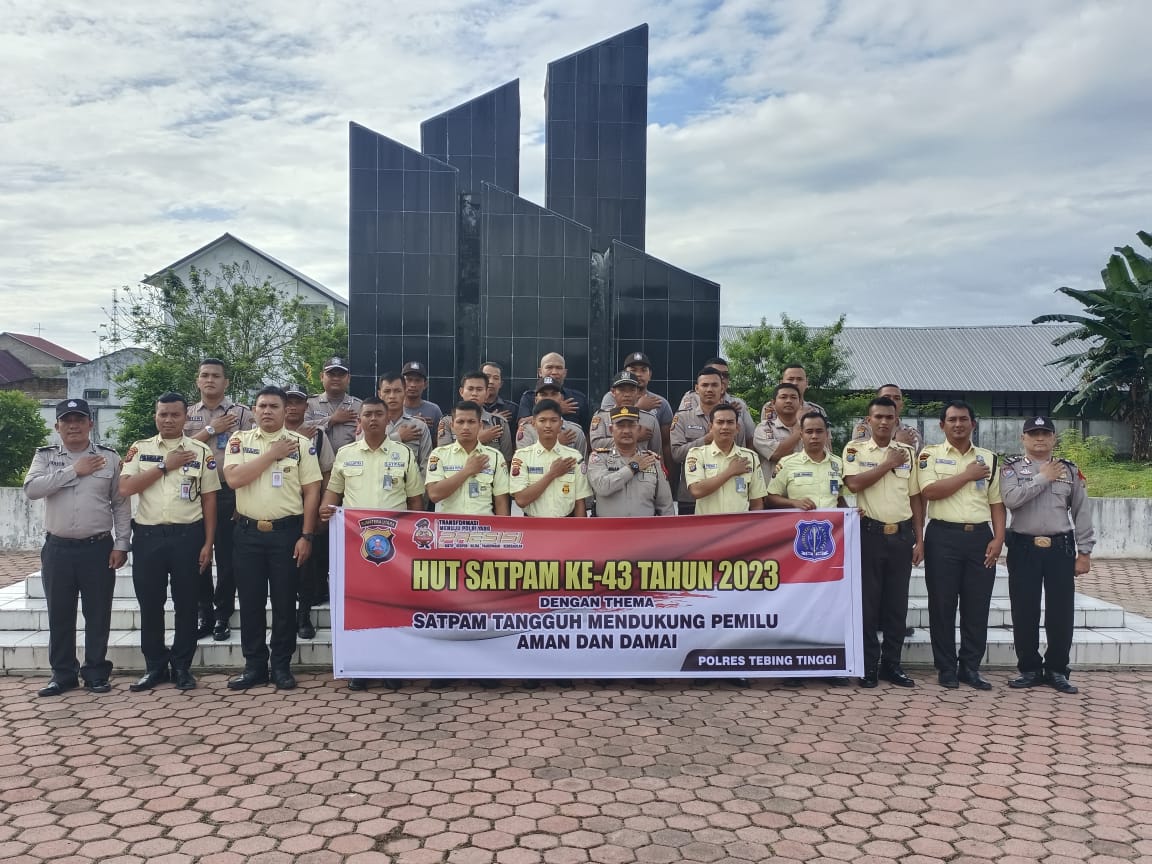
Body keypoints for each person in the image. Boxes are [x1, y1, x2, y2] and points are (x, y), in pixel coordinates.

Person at [23, 398, 131, 697]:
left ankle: (96, 672)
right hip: (58, 549)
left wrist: (122, 544)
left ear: (90, 424)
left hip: (98, 548)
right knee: (60, 613)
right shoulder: (45, 457)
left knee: (98, 613)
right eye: (67, 420)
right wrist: (74, 470)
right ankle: (63, 674)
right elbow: (32, 489)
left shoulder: (109, 458)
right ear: (57, 426)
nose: (73, 425)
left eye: (79, 419)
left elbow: (120, 503)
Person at [322, 397, 426, 693]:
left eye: (378, 414)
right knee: (360, 609)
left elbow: (415, 501)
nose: (372, 419)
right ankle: (360, 668)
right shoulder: (345, 453)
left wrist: (414, 539)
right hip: (355, 546)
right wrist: (324, 511)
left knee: (394, 610)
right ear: (360, 420)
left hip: (396, 549)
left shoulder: (403, 454)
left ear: (386, 419)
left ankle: (392, 667)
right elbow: (333, 495)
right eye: (367, 414)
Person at [119, 393, 220, 692]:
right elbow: (125, 488)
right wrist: (165, 466)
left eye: (175, 414)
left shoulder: (200, 451)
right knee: (150, 604)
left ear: (185, 417)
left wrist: (209, 543)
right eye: (163, 414)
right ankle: (155, 667)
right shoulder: (140, 449)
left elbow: (210, 499)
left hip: (188, 537)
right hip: (149, 537)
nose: (168, 419)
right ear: (155, 416)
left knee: (187, 605)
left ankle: (182, 667)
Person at [223, 386, 322, 691]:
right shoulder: (239, 440)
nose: (267, 411)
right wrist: (272, 455)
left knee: (284, 602)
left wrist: (307, 535)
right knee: (250, 602)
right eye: (262, 406)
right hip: (247, 534)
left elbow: (312, 492)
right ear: (254, 411)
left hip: (287, 534)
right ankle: (254, 666)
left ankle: (281, 665)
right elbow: (235, 479)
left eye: (273, 406)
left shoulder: (303, 445)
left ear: (284, 411)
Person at [1001, 416, 1094, 694]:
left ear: (1054, 438)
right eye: (1033, 434)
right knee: (1024, 610)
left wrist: (1085, 552)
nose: (1039, 438)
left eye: (1045, 433)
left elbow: (1081, 511)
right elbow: (1011, 500)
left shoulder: (1070, 470)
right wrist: (1043, 478)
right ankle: (1029, 668)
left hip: (1060, 548)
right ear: (1023, 439)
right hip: (1024, 547)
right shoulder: (1011, 469)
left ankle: (1057, 669)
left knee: (1061, 612)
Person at [918, 400, 1005, 690]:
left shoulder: (989, 458)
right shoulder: (929, 455)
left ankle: (970, 667)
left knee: (976, 605)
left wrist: (998, 538)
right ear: (942, 425)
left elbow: (996, 502)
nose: (958, 424)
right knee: (942, 605)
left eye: (964, 419)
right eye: (952, 419)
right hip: (943, 537)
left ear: (973, 424)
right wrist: (967, 475)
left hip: (980, 537)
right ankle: (946, 667)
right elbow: (929, 491)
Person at [842, 397, 924, 689]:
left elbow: (916, 497)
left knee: (896, 604)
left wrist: (919, 538)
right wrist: (888, 464)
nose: (884, 422)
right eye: (878, 417)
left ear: (896, 420)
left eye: (889, 417)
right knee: (869, 604)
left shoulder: (908, 453)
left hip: (901, 535)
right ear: (868, 420)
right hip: (869, 533)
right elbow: (853, 484)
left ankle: (893, 664)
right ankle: (868, 666)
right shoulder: (855, 449)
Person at [184, 358, 254, 641]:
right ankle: (204, 612)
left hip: (229, 492)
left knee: (227, 558)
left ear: (226, 382)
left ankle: (222, 615)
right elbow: (181, 451)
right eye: (204, 375)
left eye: (216, 376)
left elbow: (256, 450)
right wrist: (212, 429)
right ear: (197, 381)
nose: (210, 380)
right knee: (197, 556)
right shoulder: (185, 414)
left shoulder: (243, 414)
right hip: (193, 493)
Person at [286, 382, 335, 641]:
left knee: (305, 568)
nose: (292, 407)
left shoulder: (317, 434)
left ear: (306, 406)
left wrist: (320, 509)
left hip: (305, 509)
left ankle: (303, 617)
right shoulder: (261, 433)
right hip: (277, 512)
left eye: (297, 402)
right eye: (288, 401)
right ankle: (284, 619)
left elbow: (327, 472)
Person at [671, 367, 740, 515]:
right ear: (697, 388)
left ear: (722, 388)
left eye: (714, 385)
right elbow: (676, 454)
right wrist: (706, 440)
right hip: (691, 497)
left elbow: (741, 453)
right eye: (704, 385)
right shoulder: (682, 418)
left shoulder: (732, 419)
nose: (709, 389)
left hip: (728, 494)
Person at [587, 406, 676, 517]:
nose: (626, 431)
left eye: (631, 426)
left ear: (638, 430)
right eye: (620, 426)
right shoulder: (599, 458)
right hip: (608, 531)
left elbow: (665, 505)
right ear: (611, 430)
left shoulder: (652, 460)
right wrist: (633, 467)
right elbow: (602, 487)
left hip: (644, 531)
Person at [425, 401, 511, 516]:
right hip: (449, 528)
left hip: (483, 529)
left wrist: (502, 531)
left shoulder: (495, 456)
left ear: (480, 425)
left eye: (471, 422)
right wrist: (467, 471)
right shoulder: (439, 455)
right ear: (452, 426)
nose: (466, 427)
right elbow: (434, 494)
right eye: (460, 422)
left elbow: (501, 502)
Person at [510, 399, 592, 517]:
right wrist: (552, 474)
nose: (548, 425)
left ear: (560, 424)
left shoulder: (574, 457)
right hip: (533, 526)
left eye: (553, 420)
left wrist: (580, 534)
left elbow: (580, 503)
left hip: (566, 525)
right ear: (534, 424)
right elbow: (521, 500)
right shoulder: (522, 456)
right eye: (542, 420)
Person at [684, 403, 767, 514]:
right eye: (720, 422)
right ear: (711, 427)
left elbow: (756, 503)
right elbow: (696, 490)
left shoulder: (750, 457)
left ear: (737, 428)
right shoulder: (697, 454)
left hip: (740, 527)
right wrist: (730, 471)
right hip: (707, 527)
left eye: (730, 422)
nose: (725, 427)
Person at [599, 352, 674, 466]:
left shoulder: (660, 402)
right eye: (633, 370)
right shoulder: (610, 398)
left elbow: (665, 444)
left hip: (645, 465)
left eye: (643, 370)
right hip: (612, 463)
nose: (639, 374)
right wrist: (638, 408)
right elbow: (604, 431)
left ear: (650, 375)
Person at [766, 412, 846, 511]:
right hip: (800, 524)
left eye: (819, 431)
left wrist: (852, 513)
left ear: (826, 434)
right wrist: (794, 503)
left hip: (831, 525)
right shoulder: (787, 463)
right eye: (809, 431)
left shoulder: (838, 463)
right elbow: (770, 498)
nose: (814, 436)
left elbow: (839, 498)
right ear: (801, 435)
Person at [438, 371, 514, 461]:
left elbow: (506, 461)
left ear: (486, 394)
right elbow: (443, 458)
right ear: (461, 392)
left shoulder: (499, 423)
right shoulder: (447, 422)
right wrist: (479, 440)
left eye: (479, 389)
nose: (474, 393)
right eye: (470, 389)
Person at [677, 357, 756, 442]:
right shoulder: (691, 398)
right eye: (717, 373)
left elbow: (750, 438)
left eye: (725, 375)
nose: (722, 378)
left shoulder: (738, 403)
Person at [590, 371, 663, 458]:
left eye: (632, 390)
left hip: (642, 467)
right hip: (609, 468)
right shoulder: (602, 417)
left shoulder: (650, 419)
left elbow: (656, 453)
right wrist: (634, 437)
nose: (627, 395)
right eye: (622, 390)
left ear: (638, 392)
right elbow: (595, 445)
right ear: (613, 392)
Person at [514, 352, 591, 430]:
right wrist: (557, 410)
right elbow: (522, 424)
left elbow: (586, 433)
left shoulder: (578, 399)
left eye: (559, 368)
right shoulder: (529, 397)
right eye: (549, 367)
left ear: (565, 373)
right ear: (540, 372)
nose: (554, 372)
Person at [516, 377, 588, 457]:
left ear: (561, 398)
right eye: (543, 394)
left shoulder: (575, 432)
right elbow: (524, 464)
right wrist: (555, 444)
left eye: (554, 394)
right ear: (536, 400)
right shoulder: (526, 431)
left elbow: (581, 466)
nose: (549, 398)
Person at [377, 372, 433, 470]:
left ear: (405, 392)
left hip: (411, 484)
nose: (392, 396)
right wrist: (398, 437)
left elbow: (426, 465)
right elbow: (366, 455)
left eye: (397, 391)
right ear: (380, 394)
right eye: (387, 391)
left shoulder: (419, 427)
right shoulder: (370, 424)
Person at [306, 357, 363, 453]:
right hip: (316, 464)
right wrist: (332, 420)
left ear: (348, 378)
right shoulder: (309, 404)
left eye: (341, 375)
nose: (336, 378)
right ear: (321, 377)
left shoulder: (359, 406)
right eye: (331, 374)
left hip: (350, 464)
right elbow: (301, 429)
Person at [752, 383, 805, 483]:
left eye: (793, 397)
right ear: (773, 403)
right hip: (772, 494)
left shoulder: (811, 429)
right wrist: (799, 431)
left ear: (800, 402)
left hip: (803, 490)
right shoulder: (764, 428)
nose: (788, 401)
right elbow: (776, 454)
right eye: (783, 397)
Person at [852, 384, 923, 452]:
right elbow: (862, 456)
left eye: (897, 398)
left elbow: (916, 461)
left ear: (902, 405)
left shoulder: (911, 433)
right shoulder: (864, 427)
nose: (892, 401)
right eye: (886, 397)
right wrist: (898, 444)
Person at [760, 363, 826, 424]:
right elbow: (770, 435)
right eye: (790, 379)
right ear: (781, 383)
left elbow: (825, 436)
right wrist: (798, 420)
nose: (795, 383)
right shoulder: (771, 408)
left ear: (806, 383)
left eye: (799, 379)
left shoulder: (817, 410)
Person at [400, 361, 444, 431]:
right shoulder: (393, 409)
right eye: (409, 380)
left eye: (417, 380)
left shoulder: (434, 410)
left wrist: (424, 429)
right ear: (401, 383)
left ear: (425, 384)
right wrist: (412, 422)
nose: (413, 385)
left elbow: (442, 439)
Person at [481, 361, 519, 426]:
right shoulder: (470, 407)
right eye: (487, 377)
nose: (491, 381)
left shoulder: (511, 409)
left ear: (501, 384)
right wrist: (493, 419)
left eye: (496, 378)